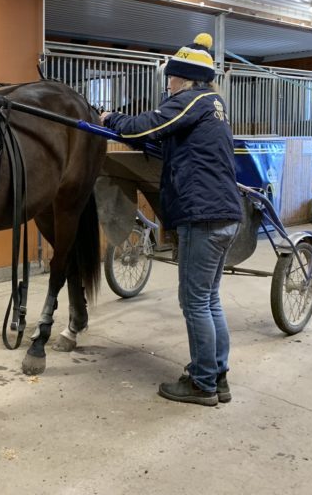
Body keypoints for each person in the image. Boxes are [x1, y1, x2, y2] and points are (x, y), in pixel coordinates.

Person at [101, 33, 242, 406]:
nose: (168, 84)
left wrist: (112, 118)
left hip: (204, 216)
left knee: (194, 302)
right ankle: (217, 375)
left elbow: (149, 125)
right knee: (209, 300)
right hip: (223, 214)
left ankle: (202, 384)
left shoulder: (193, 99)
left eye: (171, 78)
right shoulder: (214, 105)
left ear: (184, 78)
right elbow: (161, 139)